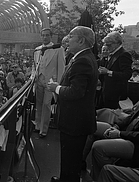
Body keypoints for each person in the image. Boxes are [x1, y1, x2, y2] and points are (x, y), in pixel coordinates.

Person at [47, 26, 98, 182]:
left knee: (71, 158)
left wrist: (57, 88)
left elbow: (76, 92)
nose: (67, 40)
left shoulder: (82, 60)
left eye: (70, 36)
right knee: (71, 158)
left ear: (81, 40)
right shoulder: (84, 57)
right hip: (76, 121)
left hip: (74, 122)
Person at [33, 28, 65, 138]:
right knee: (38, 103)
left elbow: (61, 68)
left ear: (51, 36)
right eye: (43, 35)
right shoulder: (37, 50)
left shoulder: (58, 49)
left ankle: (43, 130)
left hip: (50, 82)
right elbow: (35, 66)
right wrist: (33, 78)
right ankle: (37, 125)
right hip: (39, 80)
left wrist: (58, 85)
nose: (45, 37)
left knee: (46, 105)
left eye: (47, 35)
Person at [99, 31, 133, 109]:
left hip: (116, 96)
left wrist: (108, 72)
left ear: (117, 43)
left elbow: (127, 74)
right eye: (105, 44)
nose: (106, 47)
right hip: (108, 93)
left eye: (109, 44)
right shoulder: (113, 54)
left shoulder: (124, 54)